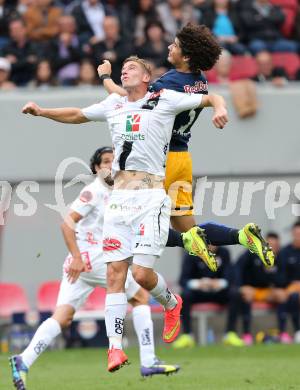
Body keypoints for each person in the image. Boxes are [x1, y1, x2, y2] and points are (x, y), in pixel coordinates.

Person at [20, 55, 228, 372]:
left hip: (151, 196)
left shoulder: (164, 98)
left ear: (147, 77)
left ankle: (172, 303)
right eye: (123, 68)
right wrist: (41, 112)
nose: (125, 71)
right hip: (119, 199)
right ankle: (114, 349)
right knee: (115, 274)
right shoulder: (114, 103)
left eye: (131, 68)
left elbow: (212, 97)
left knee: (142, 276)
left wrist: (221, 108)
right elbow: (77, 114)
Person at [98, 23, 275, 270]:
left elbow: (126, 99)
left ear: (187, 56)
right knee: (190, 230)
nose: (170, 47)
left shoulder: (171, 82)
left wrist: (105, 76)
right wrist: (220, 107)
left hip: (159, 161)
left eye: (176, 45)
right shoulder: (199, 81)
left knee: (137, 226)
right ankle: (241, 235)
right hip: (182, 159)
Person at [9, 146, 184, 390]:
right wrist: (78, 256)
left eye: (114, 161)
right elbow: (66, 224)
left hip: (81, 266)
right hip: (94, 260)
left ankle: (22, 361)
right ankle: (148, 361)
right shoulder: (93, 192)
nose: (111, 165)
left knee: (63, 316)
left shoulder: (122, 192)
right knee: (141, 297)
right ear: (96, 168)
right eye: (105, 162)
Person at [224, 232, 284, 346]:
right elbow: (237, 268)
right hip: (252, 290)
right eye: (269, 245)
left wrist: (272, 277)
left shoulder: (281, 258)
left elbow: (282, 279)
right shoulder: (251, 254)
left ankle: (283, 332)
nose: (272, 249)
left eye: (274, 246)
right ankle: (247, 333)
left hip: (268, 292)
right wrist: (241, 286)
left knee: (281, 295)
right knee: (245, 295)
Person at [174, 245, 232, 348]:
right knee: (184, 296)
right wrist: (199, 283)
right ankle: (187, 335)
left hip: (218, 292)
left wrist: (219, 283)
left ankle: (230, 334)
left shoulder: (224, 252)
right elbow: (183, 280)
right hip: (198, 293)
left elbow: (230, 277)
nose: (212, 244)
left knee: (234, 294)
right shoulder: (192, 253)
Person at [276, 222, 300, 343]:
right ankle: (288, 332)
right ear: (292, 234)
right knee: (289, 296)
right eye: (296, 234)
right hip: (289, 289)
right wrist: (292, 285)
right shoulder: (285, 252)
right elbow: (280, 276)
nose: (298, 237)